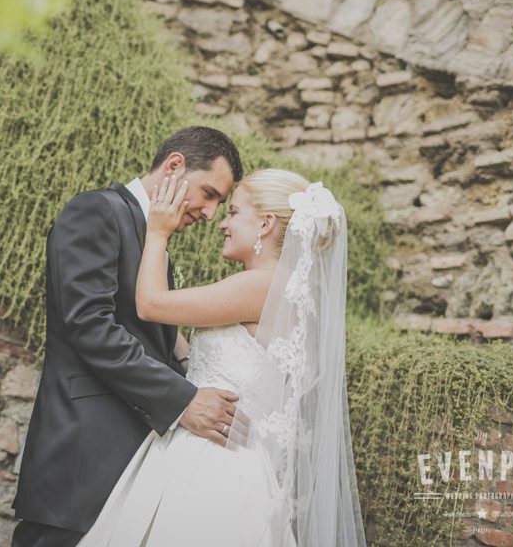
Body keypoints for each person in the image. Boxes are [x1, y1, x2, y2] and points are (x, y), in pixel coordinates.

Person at [75, 168, 367, 547]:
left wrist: (158, 232)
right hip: (223, 455)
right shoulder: (282, 292)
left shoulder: (261, 286)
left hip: (211, 464)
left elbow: (151, 304)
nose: (222, 224)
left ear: (265, 224)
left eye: (233, 212)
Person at [11, 126, 246, 547]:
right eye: (209, 193)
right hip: (84, 455)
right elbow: (89, 325)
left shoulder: (153, 236)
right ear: (175, 165)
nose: (211, 214)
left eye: (220, 203)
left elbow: (152, 338)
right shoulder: (97, 211)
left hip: (135, 463)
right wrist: (184, 400)